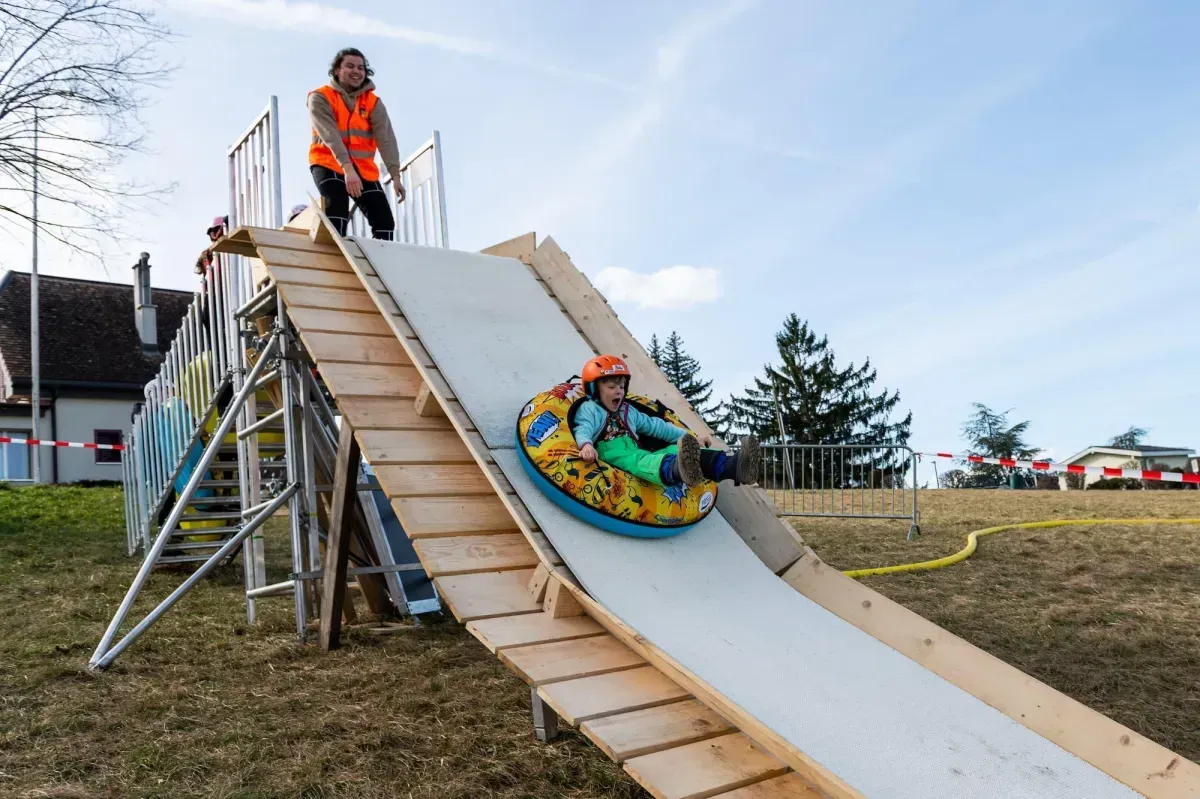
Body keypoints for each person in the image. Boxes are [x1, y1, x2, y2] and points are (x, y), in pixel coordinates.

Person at [571, 354, 760, 488]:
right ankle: (680, 469)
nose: (619, 391)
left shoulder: (628, 410)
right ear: (594, 389)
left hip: (634, 449)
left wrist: (689, 438)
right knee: (642, 460)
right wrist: (586, 445)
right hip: (612, 453)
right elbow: (583, 427)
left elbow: (657, 427)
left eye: (621, 386)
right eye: (612, 387)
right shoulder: (589, 409)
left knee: (671, 450)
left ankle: (735, 467)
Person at [308, 47, 406, 239]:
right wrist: (347, 169)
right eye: (350, 66)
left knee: (385, 222)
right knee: (337, 213)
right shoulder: (320, 97)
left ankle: (379, 258)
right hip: (328, 163)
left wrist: (395, 175)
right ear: (337, 70)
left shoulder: (373, 102)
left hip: (362, 169)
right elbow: (330, 135)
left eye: (361, 68)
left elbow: (386, 139)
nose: (356, 71)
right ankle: (336, 256)